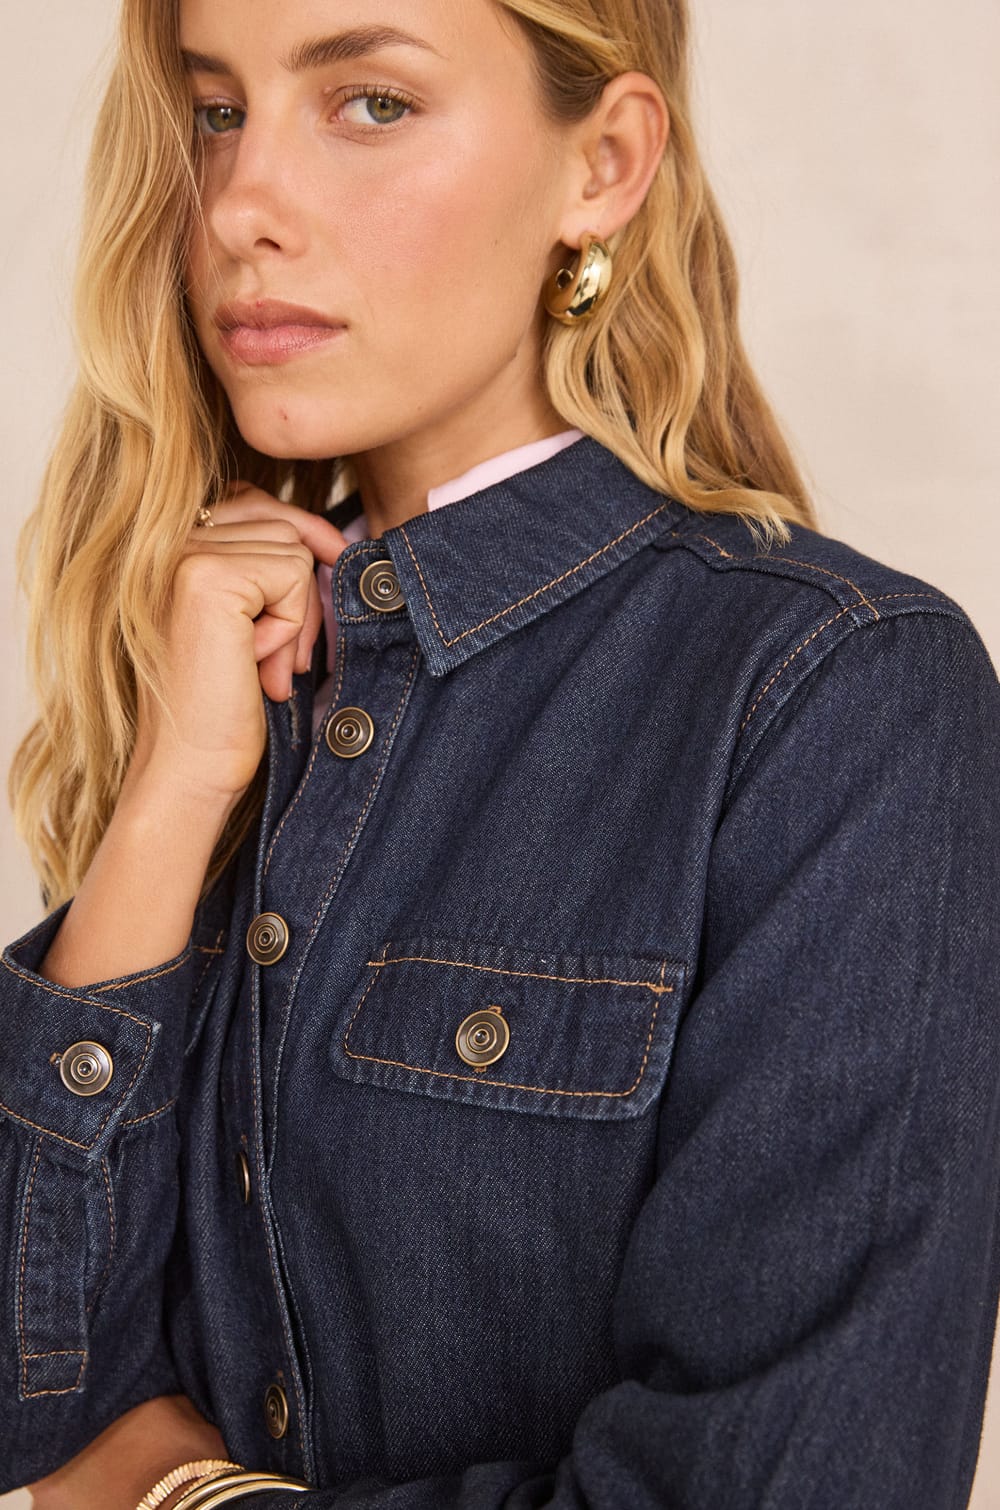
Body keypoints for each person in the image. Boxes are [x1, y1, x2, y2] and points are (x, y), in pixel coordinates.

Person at [3, 0, 999, 1505]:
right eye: (217, 112)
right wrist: (169, 798)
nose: (244, 206)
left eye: (371, 103)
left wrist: (174, 1494)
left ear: (603, 165)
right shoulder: (214, 668)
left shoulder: (830, 694)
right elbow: (28, 1400)